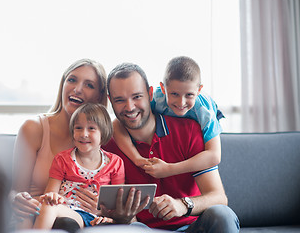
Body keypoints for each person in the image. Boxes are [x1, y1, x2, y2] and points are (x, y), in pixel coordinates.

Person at [101, 63, 239, 232]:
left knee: (222, 214)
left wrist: (182, 205)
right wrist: (122, 217)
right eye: (120, 100)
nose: (130, 107)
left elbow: (218, 197)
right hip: (142, 229)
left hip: (191, 226)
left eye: (137, 97)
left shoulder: (188, 130)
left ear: (150, 94)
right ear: (110, 101)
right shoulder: (106, 146)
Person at [9, 58, 109, 230]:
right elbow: (15, 190)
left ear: (99, 95)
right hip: (33, 215)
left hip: (74, 219)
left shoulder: (101, 139)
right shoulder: (33, 128)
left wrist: (100, 209)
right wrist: (16, 199)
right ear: (62, 84)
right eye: (72, 80)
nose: (77, 89)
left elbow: (112, 201)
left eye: (89, 85)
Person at [113, 56, 223, 178]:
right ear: (164, 88)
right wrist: (137, 158)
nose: (181, 102)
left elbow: (214, 156)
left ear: (199, 90)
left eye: (189, 95)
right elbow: (117, 123)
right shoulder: (156, 99)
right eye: (174, 94)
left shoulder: (204, 111)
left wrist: (169, 169)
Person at [32, 103, 125, 230]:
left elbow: (117, 202)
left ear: (103, 133)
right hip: (67, 211)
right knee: (48, 205)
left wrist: (109, 217)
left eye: (91, 128)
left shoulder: (115, 162)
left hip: (94, 216)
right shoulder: (62, 159)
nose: (83, 134)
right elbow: (50, 193)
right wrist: (52, 196)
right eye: (78, 128)